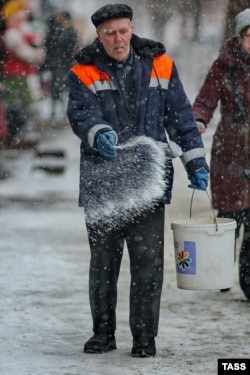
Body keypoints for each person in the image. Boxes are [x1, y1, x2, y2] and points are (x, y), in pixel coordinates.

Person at [67, 3, 209, 357]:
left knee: (148, 267)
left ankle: (145, 339)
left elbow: (181, 119)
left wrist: (196, 163)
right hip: (104, 183)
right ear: (99, 35)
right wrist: (97, 132)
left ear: (132, 29)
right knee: (103, 266)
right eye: (111, 33)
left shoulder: (161, 64)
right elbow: (80, 112)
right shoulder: (83, 70)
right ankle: (103, 334)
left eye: (124, 31)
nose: (119, 39)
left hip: (148, 182)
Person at [192, 8, 250, 300]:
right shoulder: (223, 66)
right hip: (230, 148)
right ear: (240, 37)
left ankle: (249, 282)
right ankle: (222, 271)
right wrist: (199, 121)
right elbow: (205, 99)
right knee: (230, 217)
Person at [0, 0, 45, 147]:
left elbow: (37, 39)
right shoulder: (12, 33)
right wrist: (34, 54)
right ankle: (15, 135)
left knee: (24, 104)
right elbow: (21, 51)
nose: (25, 15)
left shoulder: (23, 29)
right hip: (14, 74)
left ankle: (20, 133)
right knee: (15, 105)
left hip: (24, 73)